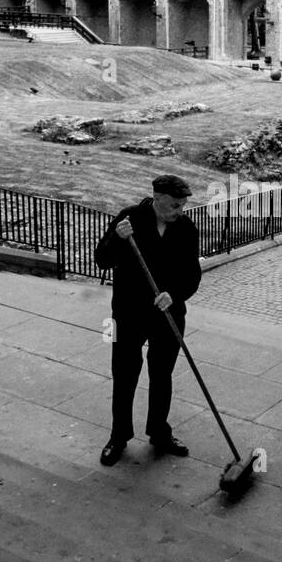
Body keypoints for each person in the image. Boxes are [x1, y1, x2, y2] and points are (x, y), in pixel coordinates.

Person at [93, 175, 202, 466]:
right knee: (125, 375)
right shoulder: (129, 219)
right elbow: (102, 259)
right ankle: (119, 436)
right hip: (129, 314)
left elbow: (193, 276)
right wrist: (117, 237)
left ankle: (159, 432)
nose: (180, 210)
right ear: (158, 199)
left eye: (182, 205)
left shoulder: (187, 229)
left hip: (168, 315)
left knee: (162, 374)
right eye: (175, 205)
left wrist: (174, 295)